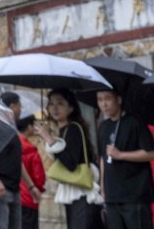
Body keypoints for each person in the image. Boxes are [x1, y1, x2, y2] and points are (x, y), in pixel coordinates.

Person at [34, 87, 104, 229]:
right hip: (75, 192)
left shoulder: (73, 129)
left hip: (82, 193)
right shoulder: (64, 130)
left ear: (71, 108)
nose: (55, 108)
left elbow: (70, 163)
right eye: (51, 103)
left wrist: (49, 140)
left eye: (60, 103)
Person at [95, 89, 154, 229]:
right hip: (112, 195)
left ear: (118, 100)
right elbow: (103, 158)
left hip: (134, 194)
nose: (104, 104)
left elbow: (152, 153)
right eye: (100, 100)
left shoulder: (135, 122)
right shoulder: (103, 127)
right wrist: (103, 187)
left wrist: (121, 155)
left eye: (108, 99)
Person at [0, 91, 39, 229]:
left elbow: (17, 160)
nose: (21, 110)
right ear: (12, 106)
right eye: (19, 106)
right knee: (1, 225)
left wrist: (31, 186)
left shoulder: (11, 129)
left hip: (14, 187)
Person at [17, 115, 46, 229]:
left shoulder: (11, 144)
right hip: (29, 197)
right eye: (33, 125)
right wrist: (39, 189)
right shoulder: (31, 150)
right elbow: (39, 177)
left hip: (14, 196)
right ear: (29, 127)